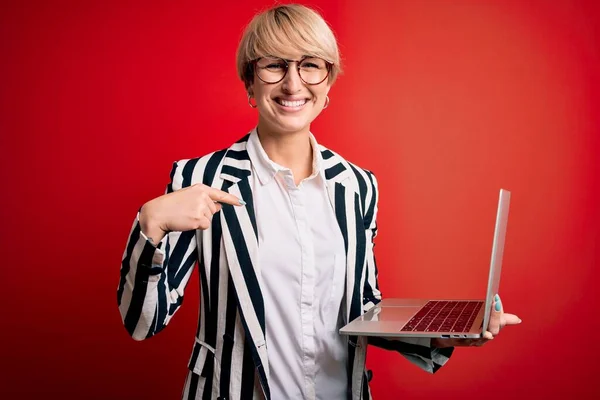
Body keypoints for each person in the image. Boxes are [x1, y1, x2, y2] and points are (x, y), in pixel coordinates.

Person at [116, 4, 521, 400]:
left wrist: (449, 330)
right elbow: (141, 323)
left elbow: (363, 309)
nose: (293, 84)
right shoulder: (200, 179)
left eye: (310, 65)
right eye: (275, 65)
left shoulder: (358, 186)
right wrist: (149, 226)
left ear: (327, 85)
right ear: (249, 83)